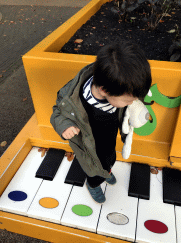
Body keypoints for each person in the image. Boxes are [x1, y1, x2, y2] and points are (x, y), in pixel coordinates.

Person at [50, 40, 152, 204]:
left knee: (109, 157)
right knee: (93, 169)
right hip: (88, 145)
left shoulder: (116, 81)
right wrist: (64, 125)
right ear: (104, 90)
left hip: (108, 135)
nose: (131, 103)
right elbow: (57, 112)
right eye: (127, 101)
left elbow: (126, 101)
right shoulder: (72, 99)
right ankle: (93, 184)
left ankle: (106, 170)